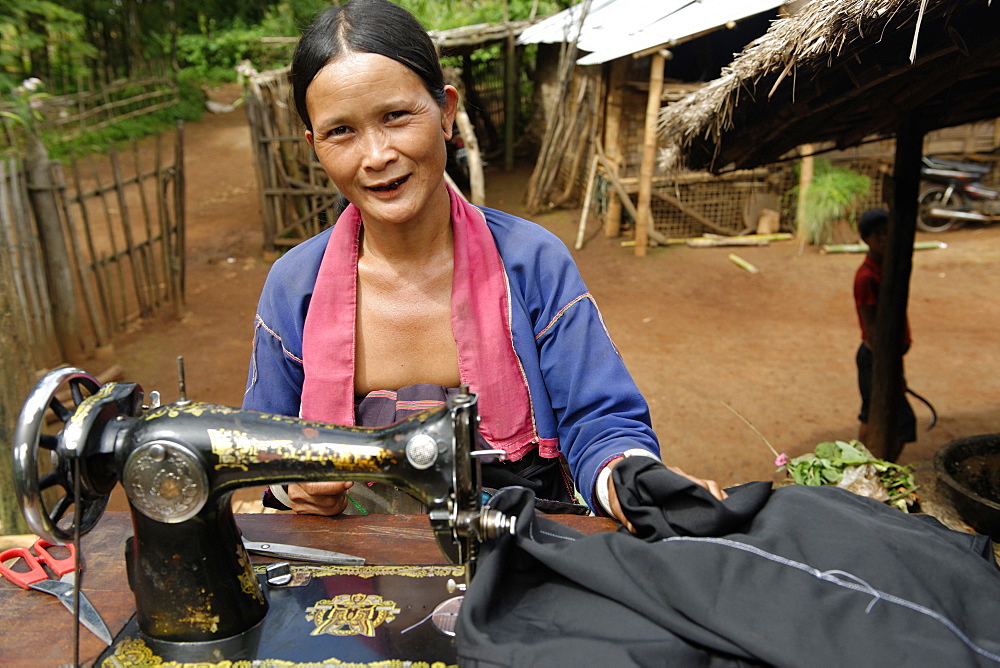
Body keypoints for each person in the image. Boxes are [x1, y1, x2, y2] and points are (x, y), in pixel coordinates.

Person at [242, 0, 725, 528]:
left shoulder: (531, 262)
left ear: (446, 112)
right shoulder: (294, 289)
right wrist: (293, 485)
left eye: (396, 116)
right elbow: (264, 447)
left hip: (525, 544)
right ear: (314, 146)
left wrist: (631, 479)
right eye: (341, 132)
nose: (376, 154)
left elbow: (599, 419)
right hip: (357, 573)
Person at [853, 208, 916, 461]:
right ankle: (880, 467)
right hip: (876, 357)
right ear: (866, 239)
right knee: (902, 421)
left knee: (872, 413)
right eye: (878, 234)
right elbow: (873, 330)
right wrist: (893, 370)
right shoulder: (867, 276)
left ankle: (867, 468)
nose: (885, 239)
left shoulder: (887, 269)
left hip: (883, 357)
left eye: (888, 233)